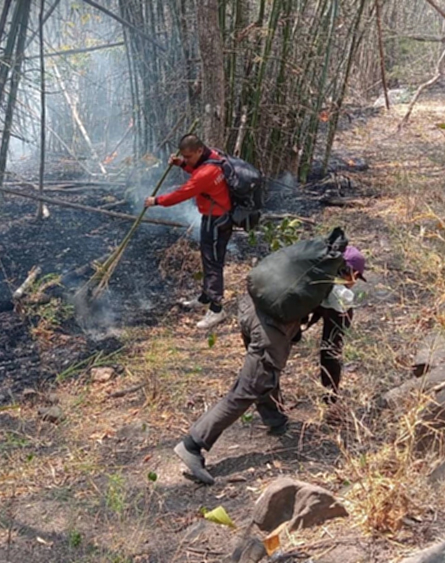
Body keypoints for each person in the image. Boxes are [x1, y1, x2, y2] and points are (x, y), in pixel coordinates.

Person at [173, 246, 367, 485]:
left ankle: (274, 419)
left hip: (249, 307)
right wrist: (331, 398)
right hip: (267, 327)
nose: (353, 286)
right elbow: (330, 352)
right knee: (249, 387)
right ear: (351, 275)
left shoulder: (304, 269)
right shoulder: (338, 297)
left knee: (264, 371)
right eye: (356, 279)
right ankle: (192, 445)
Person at [144, 134, 232, 330]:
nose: (186, 159)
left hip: (217, 219)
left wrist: (156, 201)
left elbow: (182, 193)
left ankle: (217, 309)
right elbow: (196, 168)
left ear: (199, 150)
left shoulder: (206, 173)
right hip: (213, 216)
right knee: (208, 257)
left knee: (214, 262)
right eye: (184, 156)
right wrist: (181, 164)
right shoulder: (214, 156)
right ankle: (205, 297)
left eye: (188, 156)